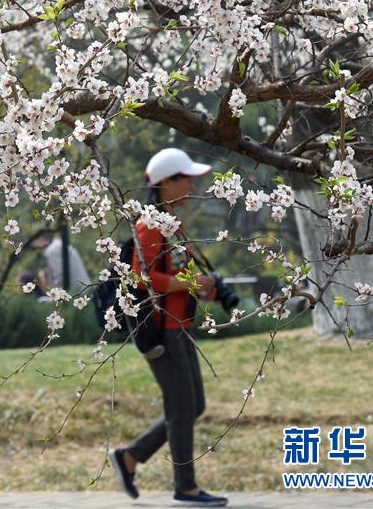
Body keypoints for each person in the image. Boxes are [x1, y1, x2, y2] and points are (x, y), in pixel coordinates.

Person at [109, 147, 229, 507]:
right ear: (165, 183)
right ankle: (185, 487)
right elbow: (139, 274)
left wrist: (204, 288)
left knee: (192, 407)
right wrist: (189, 285)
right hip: (164, 331)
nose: (192, 184)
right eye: (185, 178)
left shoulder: (173, 224)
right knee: (182, 409)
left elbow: (174, 276)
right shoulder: (149, 224)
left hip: (181, 327)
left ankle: (129, 458)